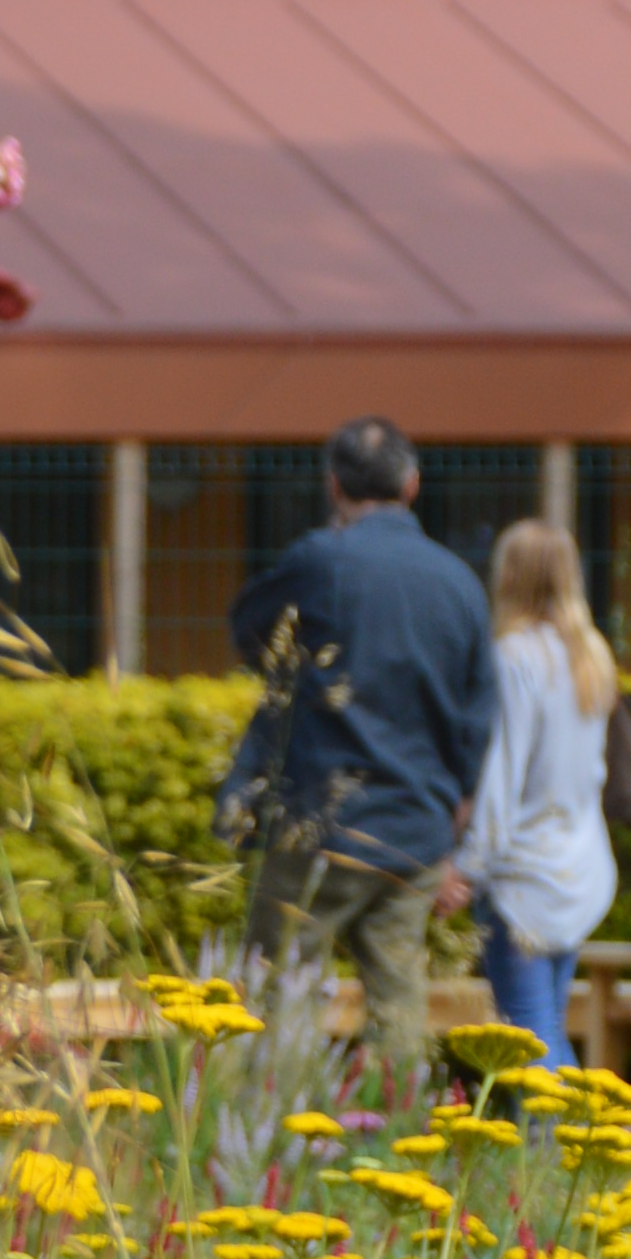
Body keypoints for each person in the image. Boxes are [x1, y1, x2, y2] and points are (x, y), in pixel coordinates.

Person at [227, 415, 496, 1113]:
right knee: (399, 999)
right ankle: (400, 1143)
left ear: (334, 484)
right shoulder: (461, 583)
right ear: (413, 484)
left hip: (321, 818)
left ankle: (271, 1141)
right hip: (416, 829)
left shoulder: (321, 561)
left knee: (281, 984)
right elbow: (478, 712)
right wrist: (457, 804)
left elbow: (249, 628)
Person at [458, 520, 620, 1070]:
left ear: (507, 576)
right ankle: (576, 1141)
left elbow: (502, 778)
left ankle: (565, 1147)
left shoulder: (517, 658)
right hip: (578, 868)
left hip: (523, 878)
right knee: (546, 1022)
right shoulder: (591, 655)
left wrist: (468, 867)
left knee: (531, 1039)